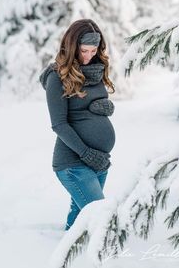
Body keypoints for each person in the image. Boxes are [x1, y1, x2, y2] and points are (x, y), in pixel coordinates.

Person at [39, 18, 116, 231]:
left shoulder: (93, 72)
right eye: (84, 50)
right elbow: (59, 124)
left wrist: (105, 108)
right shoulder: (57, 77)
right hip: (74, 163)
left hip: (98, 161)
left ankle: (71, 259)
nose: (88, 56)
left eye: (93, 51)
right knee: (102, 220)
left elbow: (86, 106)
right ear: (72, 46)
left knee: (79, 223)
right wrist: (87, 154)